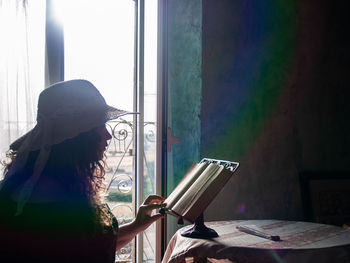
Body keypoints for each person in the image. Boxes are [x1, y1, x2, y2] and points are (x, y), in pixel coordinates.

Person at [0, 79, 165, 263]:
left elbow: (94, 245)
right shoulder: (52, 196)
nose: (108, 135)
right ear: (79, 137)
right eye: (100, 126)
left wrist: (136, 225)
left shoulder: (37, 184)